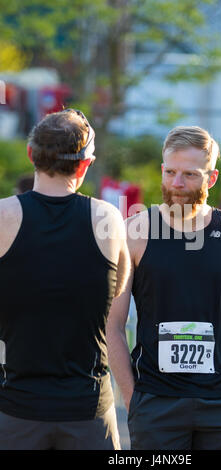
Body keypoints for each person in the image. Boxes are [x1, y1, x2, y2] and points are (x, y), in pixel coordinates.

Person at [106, 126, 221, 451]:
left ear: (212, 178)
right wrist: (134, 399)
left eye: (190, 174)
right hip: (156, 403)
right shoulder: (134, 232)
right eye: (170, 172)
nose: (177, 184)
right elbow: (112, 323)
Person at [0, 109, 130, 450]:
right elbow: (117, 288)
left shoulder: (3, 216)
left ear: (31, 154)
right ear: (85, 164)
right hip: (88, 413)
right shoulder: (108, 218)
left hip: (16, 409)